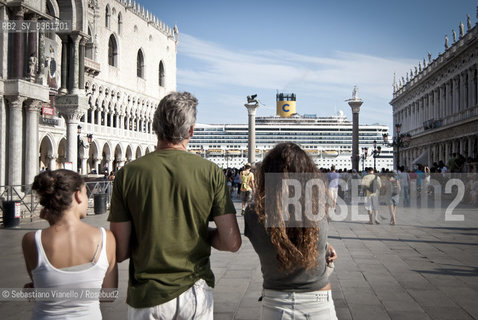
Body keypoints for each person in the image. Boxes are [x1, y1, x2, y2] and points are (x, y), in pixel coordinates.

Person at [108, 91, 241, 319]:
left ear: (155, 126)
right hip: (196, 293)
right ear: (191, 130)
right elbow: (232, 242)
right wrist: (200, 234)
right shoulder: (211, 173)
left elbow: (119, 251)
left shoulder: (127, 174)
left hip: (148, 296)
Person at [245, 142, 338, 320]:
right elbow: (305, 240)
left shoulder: (253, 213)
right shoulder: (317, 207)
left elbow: (280, 239)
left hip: (275, 304)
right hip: (319, 303)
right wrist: (326, 248)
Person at [22, 169, 118, 319]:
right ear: (78, 195)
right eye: (86, 193)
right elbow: (109, 294)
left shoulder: (31, 240)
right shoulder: (106, 238)